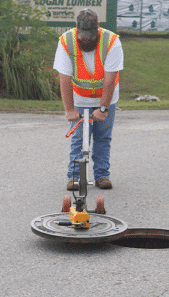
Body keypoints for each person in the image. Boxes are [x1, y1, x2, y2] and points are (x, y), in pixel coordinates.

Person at [53, 8, 124, 190]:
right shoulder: (66, 41)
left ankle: (102, 176)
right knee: (78, 138)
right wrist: (70, 109)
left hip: (106, 98)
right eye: (83, 35)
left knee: (102, 137)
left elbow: (109, 80)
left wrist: (103, 109)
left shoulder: (112, 42)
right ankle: (75, 177)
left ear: (98, 27)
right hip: (79, 97)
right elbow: (64, 79)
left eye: (90, 35)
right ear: (77, 28)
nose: (86, 39)